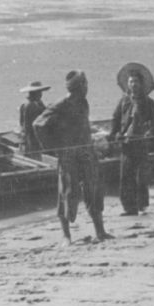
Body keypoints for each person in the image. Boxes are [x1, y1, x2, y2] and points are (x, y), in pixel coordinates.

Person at [33, 70, 112, 245]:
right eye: (84, 84)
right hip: (68, 153)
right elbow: (38, 124)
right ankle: (66, 236)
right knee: (67, 193)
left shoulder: (84, 103)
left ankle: (100, 231)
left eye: (86, 84)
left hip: (86, 151)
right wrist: (53, 147)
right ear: (77, 87)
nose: (87, 88)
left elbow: (82, 125)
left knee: (93, 190)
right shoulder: (60, 105)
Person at [109, 64, 154, 215]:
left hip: (141, 143)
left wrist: (150, 133)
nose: (133, 85)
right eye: (131, 82)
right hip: (126, 143)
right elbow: (115, 118)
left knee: (141, 176)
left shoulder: (149, 102)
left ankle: (142, 205)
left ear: (141, 84)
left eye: (136, 82)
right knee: (126, 175)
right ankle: (129, 207)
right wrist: (114, 134)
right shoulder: (123, 101)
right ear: (128, 84)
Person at [18, 80, 50, 160]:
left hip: (26, 139)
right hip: (31, 141)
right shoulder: (31, 106)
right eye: (39, 92)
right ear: (34, 93)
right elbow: (30, 127)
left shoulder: (27, 104)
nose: (41, 94)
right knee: (34, 160)